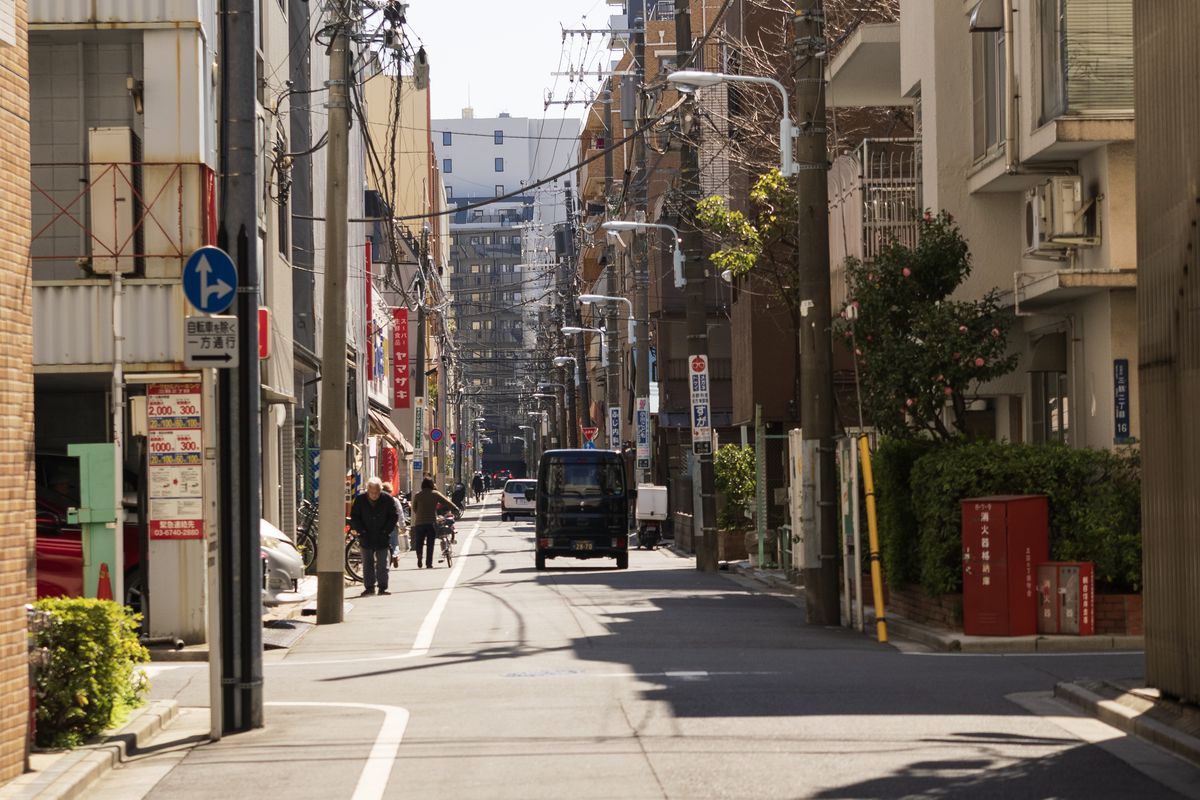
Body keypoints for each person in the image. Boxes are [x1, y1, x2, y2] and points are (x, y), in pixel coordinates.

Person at [349, 476, 398, 596]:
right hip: (366, 535)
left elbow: (393, 516)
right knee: (367, 563)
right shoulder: (360, 499)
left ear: (380, 490)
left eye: (377, 492)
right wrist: (361, 531)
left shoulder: (387, 499)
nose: (374, 495)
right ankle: (369, 587)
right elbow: (354, 517)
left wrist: (387, 530)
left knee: (382, 563)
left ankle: (382, 587)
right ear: (367, 490)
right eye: (372, 492)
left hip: (382, 535)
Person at [410, 477, 460, 568]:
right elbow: (447, 502)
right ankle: (428, 563)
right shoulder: (435, 494)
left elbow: (414, 508)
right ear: (432, 485)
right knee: (430, 543)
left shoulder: (418, 495)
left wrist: (420, 515)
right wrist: (455, 508)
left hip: (419, 523)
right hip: (431, 522)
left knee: (419, 542)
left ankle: (419, 557)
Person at [381, 481, 408, 568]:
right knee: (394, 543)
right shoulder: (395, 500)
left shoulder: (379, 500)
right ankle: (394, 555)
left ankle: (386, 559)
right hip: (393, 525)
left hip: (381, 526)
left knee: (383, 544)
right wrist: (402, 526)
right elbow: (400, 513)